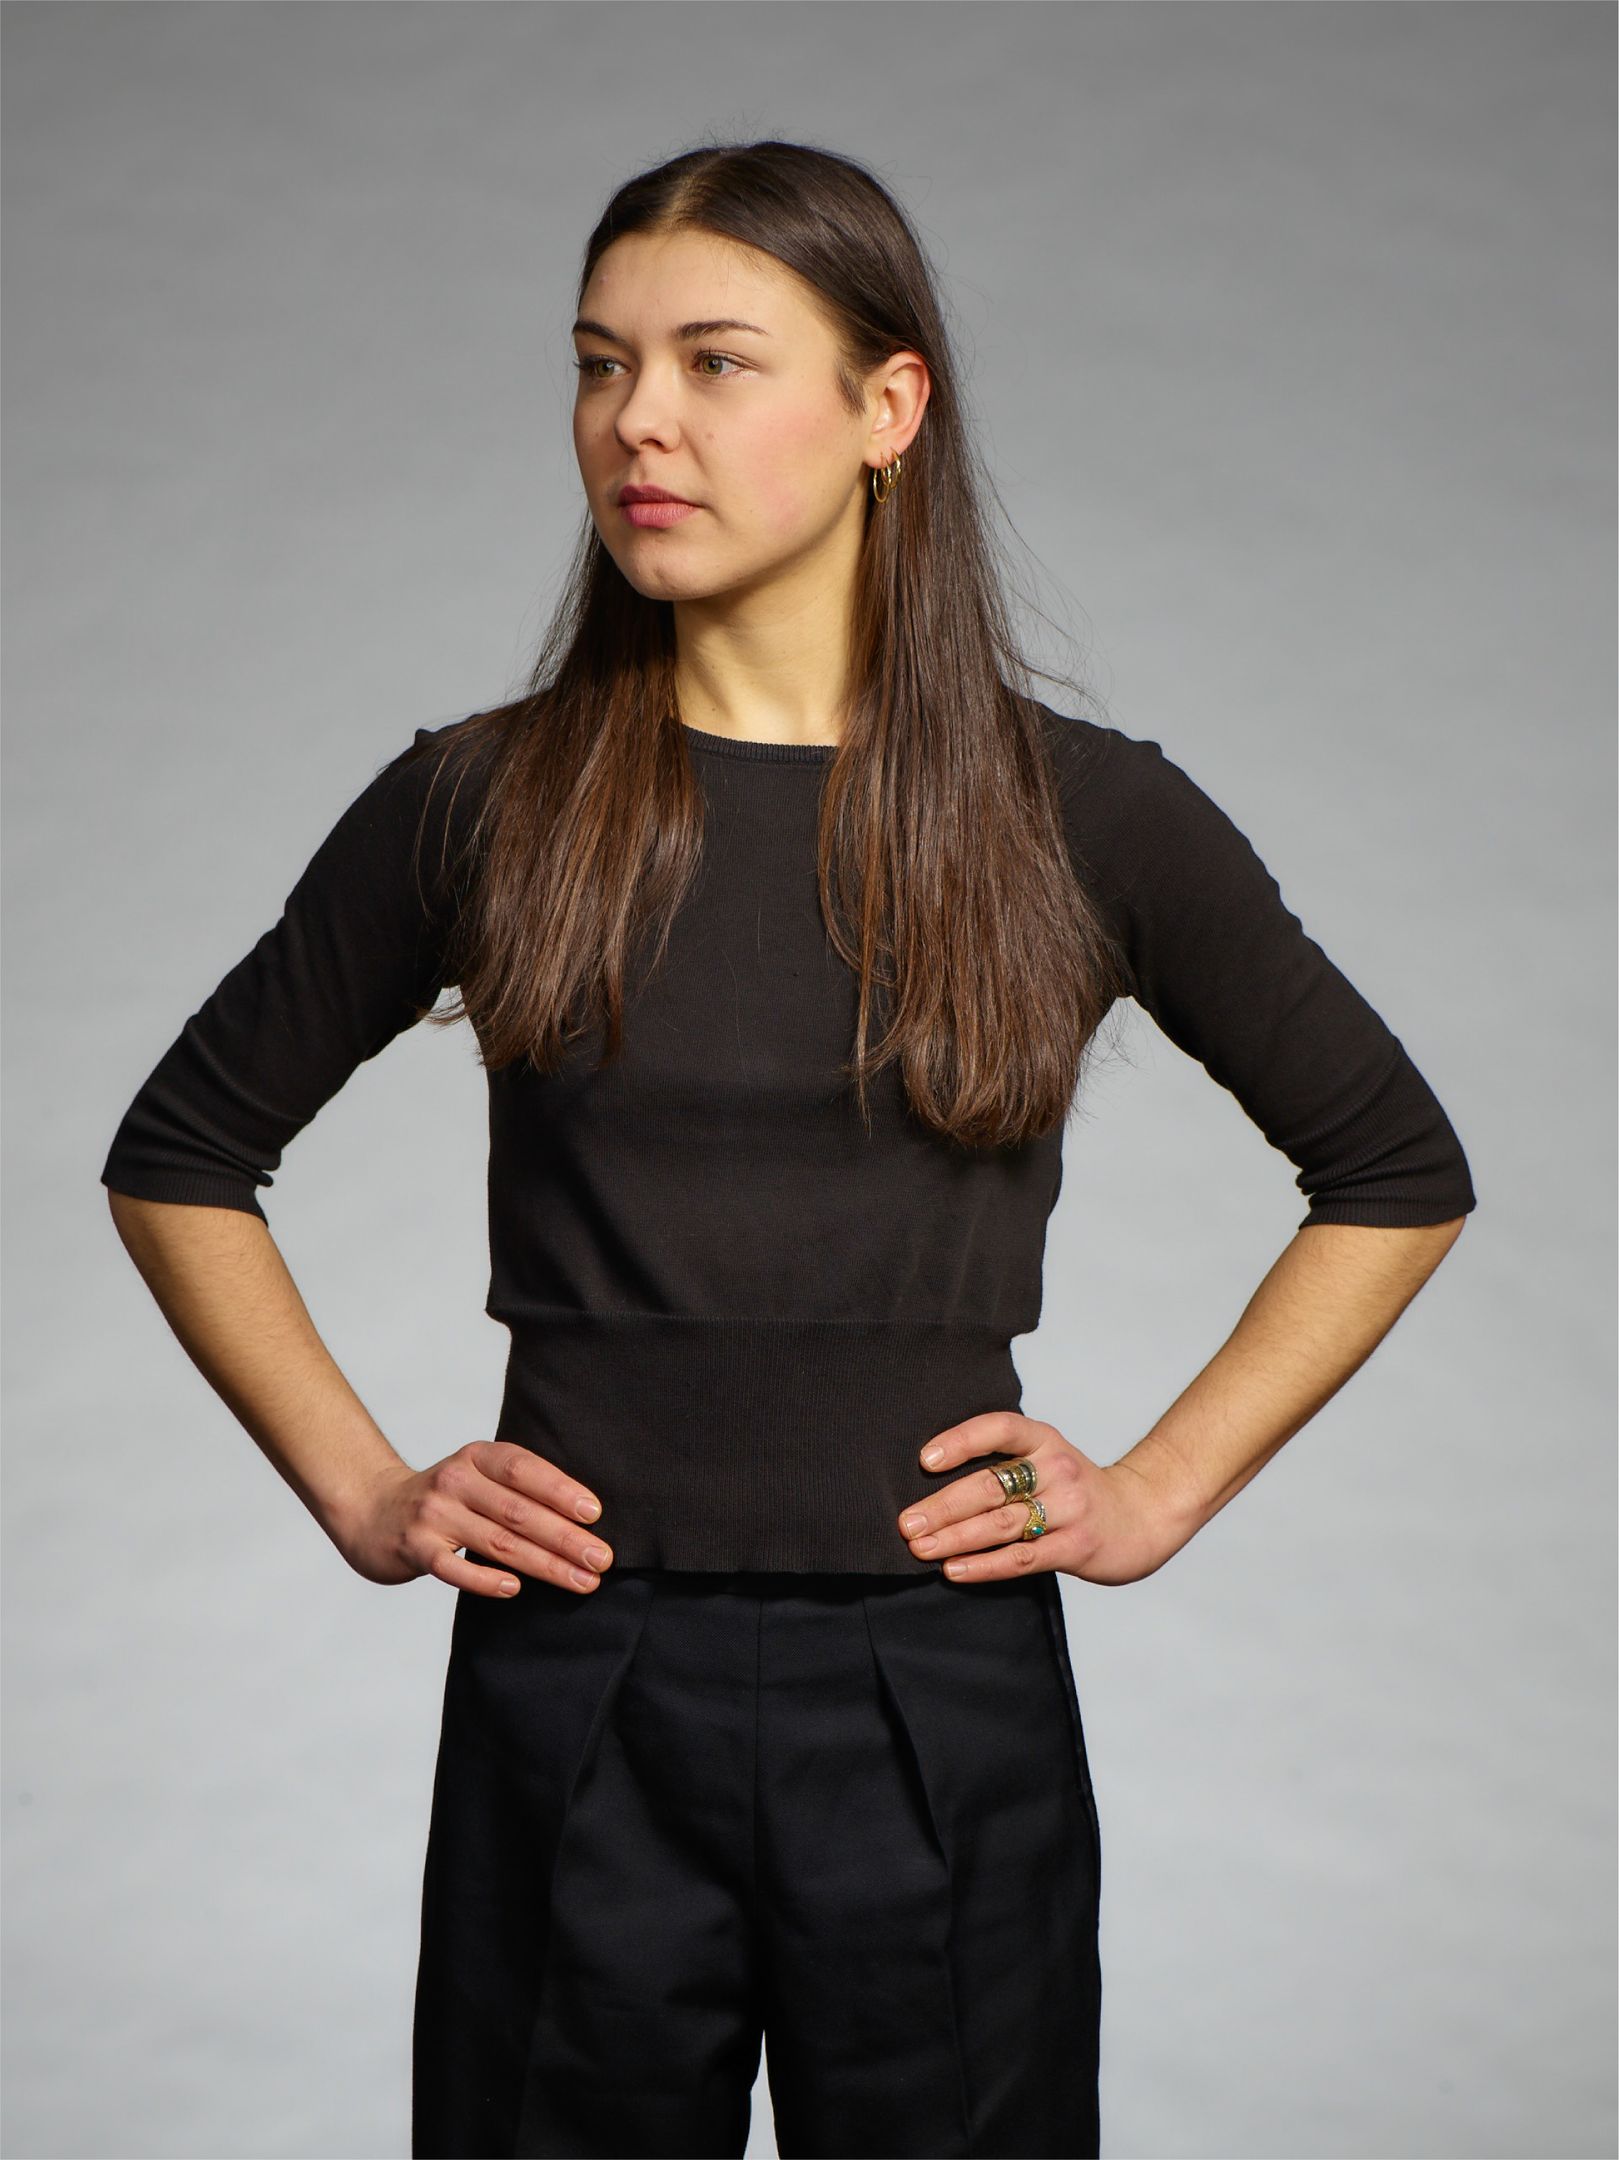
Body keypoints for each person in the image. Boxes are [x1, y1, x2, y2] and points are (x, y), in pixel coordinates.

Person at [99, 138, 1476, 2160]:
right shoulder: (482, 803)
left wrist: (1163, 1489)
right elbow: (182, 1153)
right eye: (600, 364)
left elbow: (1396, 1173)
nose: (635, 420)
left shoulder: (1082, 816)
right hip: (575, 1682)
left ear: (885, 409)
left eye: (715, 362)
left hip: (941, 1690)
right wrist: (365, 1489)